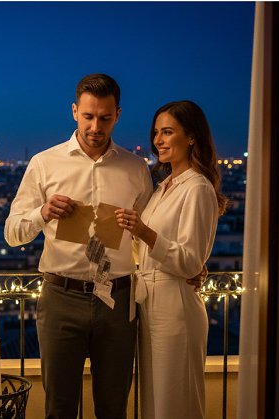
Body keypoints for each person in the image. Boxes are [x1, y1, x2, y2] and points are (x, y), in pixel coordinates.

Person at [5, 74, 153, 418]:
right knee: (60, 408)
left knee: (114, 408)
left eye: (104, 117)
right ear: (74, 111)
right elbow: (12, 233)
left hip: (118, 299)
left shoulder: (135, 169)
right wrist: (42, 213)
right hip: (61, 297)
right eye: (88, 116)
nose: (95, 127)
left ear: (118, 115)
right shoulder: (44, 163)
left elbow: (147, 237)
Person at [115, 100, 226, 419]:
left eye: (167, 132)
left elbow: (190, 261)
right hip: (150, 304)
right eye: (156, 133)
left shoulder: (197, 188)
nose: (158, 141)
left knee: (174, 401)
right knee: (155, 403)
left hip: (175, 307)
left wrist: (143, 231)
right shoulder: (164, 187)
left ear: (191, 137)